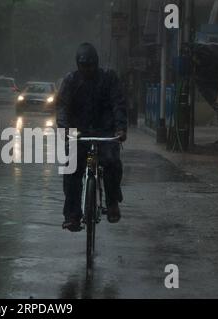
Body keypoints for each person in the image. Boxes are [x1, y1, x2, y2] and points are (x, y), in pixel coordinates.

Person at [56, 42, 128, 232]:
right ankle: (72, 215)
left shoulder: (109, 79)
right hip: (78, 133)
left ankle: (112, 202)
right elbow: (62, 108)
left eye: (90, 65)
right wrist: (65, 129)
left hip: (105, 132)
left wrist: (120, 129)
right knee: (71, 170)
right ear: (78, 65)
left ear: (97, 63)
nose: (87, 70)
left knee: (112, 162)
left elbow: (118, 104)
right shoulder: (70, 81)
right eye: (83, 66)